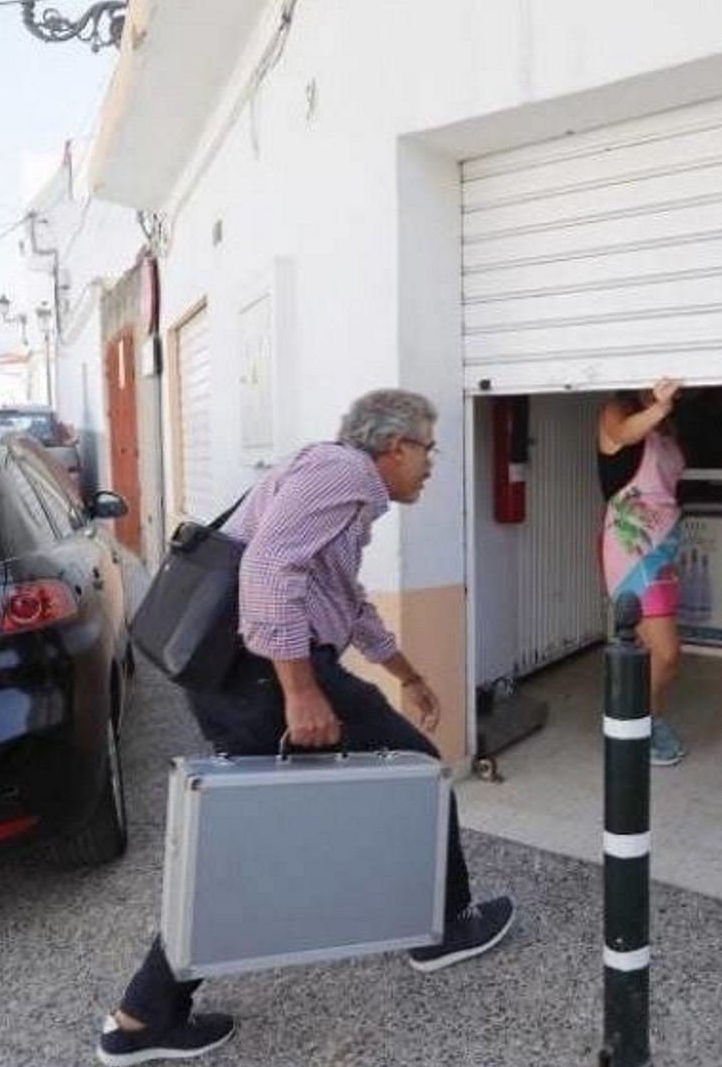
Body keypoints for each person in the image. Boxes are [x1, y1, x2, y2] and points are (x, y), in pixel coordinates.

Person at [98, 388, 515, 1066]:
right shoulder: (344, 473)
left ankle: (145, 1015)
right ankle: (441, 926)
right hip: (264, 677)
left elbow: (341, 600)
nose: (432, 465)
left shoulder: (339, 485)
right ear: (396, 446)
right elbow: (266, 571)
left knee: (272, 818)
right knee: (400, 777)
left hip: (245, 675)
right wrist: (299, 691)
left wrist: (407, 674)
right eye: (429, 449)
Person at [598, 378, 689, 767]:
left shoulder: (669, 427)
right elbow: (624, 433)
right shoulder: (616, 410)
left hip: (663, 545)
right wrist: (660, 407)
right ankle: (638, 722)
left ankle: (641, 723)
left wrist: (664, 413)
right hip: (631, 547)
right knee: (666, 654)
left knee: (652, 651)